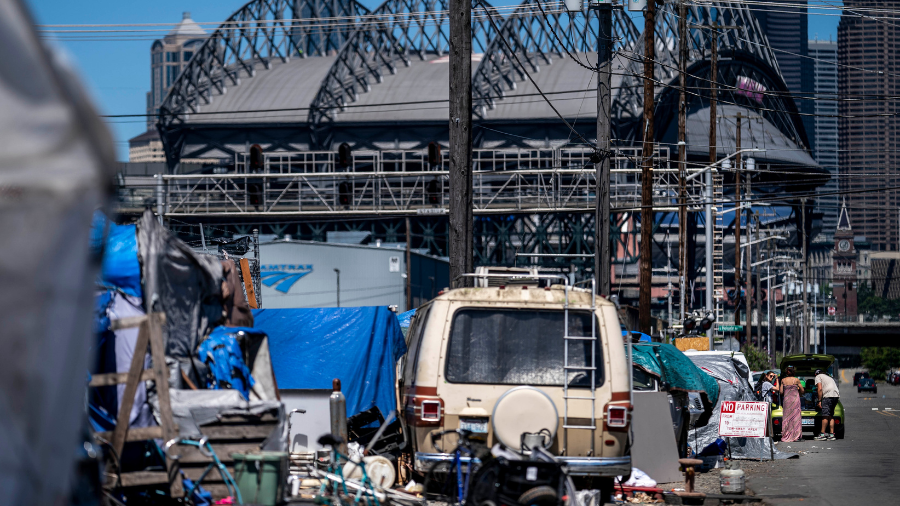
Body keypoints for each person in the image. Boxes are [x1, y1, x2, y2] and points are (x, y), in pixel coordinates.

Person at [777, 365, 804, 442]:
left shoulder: (783, 380)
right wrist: (798, 390)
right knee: (796, 418)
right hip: (795, 400)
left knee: (787, 417)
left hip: (787, 401)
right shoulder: (796, 380)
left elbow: (781, 392)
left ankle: (786, 434)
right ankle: (796, 435)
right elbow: (802, 390)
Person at [815, 368, 841, 441]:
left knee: (825, 415)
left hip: (828, 396)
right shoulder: (828, 377)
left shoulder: (818, 377)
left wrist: (819, 400)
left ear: (816, 374)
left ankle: (822, 434)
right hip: (835, 396)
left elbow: (819, 389)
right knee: (830, 415)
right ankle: (832, 434)